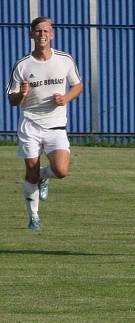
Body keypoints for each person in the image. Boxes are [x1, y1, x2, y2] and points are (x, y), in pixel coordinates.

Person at [5, 16, 83, 230]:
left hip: (56, 125)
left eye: (46, 31)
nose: (42, 35)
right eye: (38, 31)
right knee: (30, 171)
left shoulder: (64, 59)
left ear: (52, 35)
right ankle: (34, 217)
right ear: (31, 35)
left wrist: (65, 99)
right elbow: (11, 100)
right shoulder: (22, 65)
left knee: (61, 170)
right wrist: (21, 94)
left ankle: (44, 177)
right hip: (30, 125)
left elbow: (78, 85)